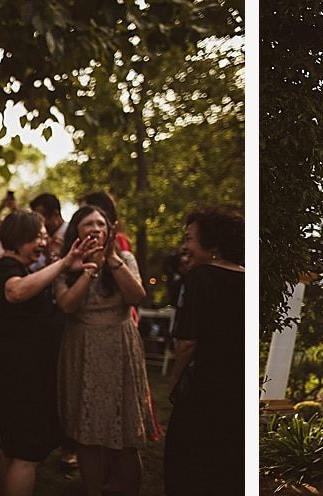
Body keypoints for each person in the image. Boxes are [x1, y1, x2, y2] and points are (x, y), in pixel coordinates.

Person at [0, 210, 100, 495]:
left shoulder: (23, 269)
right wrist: (62, 265)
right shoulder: (4, 269)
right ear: (18, 237)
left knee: (13, 446)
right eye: (38, 237)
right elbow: (16, 292)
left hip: (20, 367)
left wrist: (68, 265)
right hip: (23, 371)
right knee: (26, 452)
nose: (43, 243)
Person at [54, 205, 151, 496]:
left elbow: (137, 296)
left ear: (110, 230)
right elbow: (67, 305)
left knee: (124, 434)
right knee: (87, 434)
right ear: (77, 232)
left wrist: (111, 260)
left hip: (119, 346)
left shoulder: (125, 258)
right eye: (88, 224)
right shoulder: (65, 265)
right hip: (82, 346)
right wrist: (89, 270)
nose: (95, 228)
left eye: (101, 223)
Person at [162, 206, 244, 495]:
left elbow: (187, 342)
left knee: (190, 463)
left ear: (213, 245)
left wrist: (174, 381)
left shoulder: (201, 277)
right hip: (237, 388)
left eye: (189, 239)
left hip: (205, 387)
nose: (185, 247)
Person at [28, 193, 66, 263]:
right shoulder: (42, 240)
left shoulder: (72, 233)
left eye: (41, 218)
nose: (38, 223)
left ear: (55, 214)